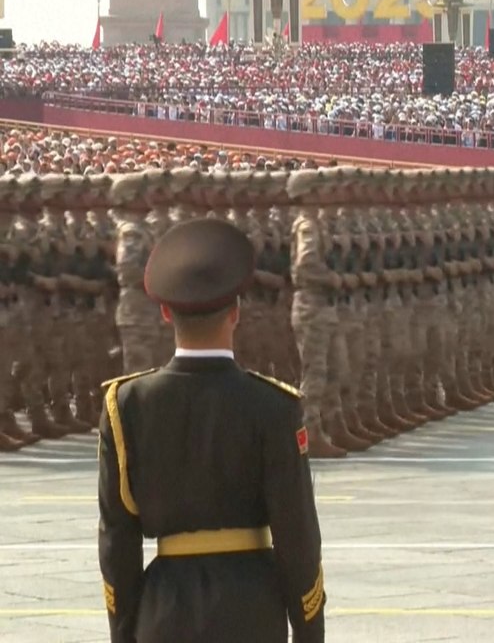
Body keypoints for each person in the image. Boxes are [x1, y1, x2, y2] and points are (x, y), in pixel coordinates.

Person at [97, 217, 326, 643]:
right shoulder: (274, 406)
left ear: (165, 312)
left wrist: (124, 631)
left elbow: (117, 543)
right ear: (236, 312)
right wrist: (310, 631)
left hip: (164, 612)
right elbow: (298, 537)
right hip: (252, 610)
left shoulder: (126, 406)